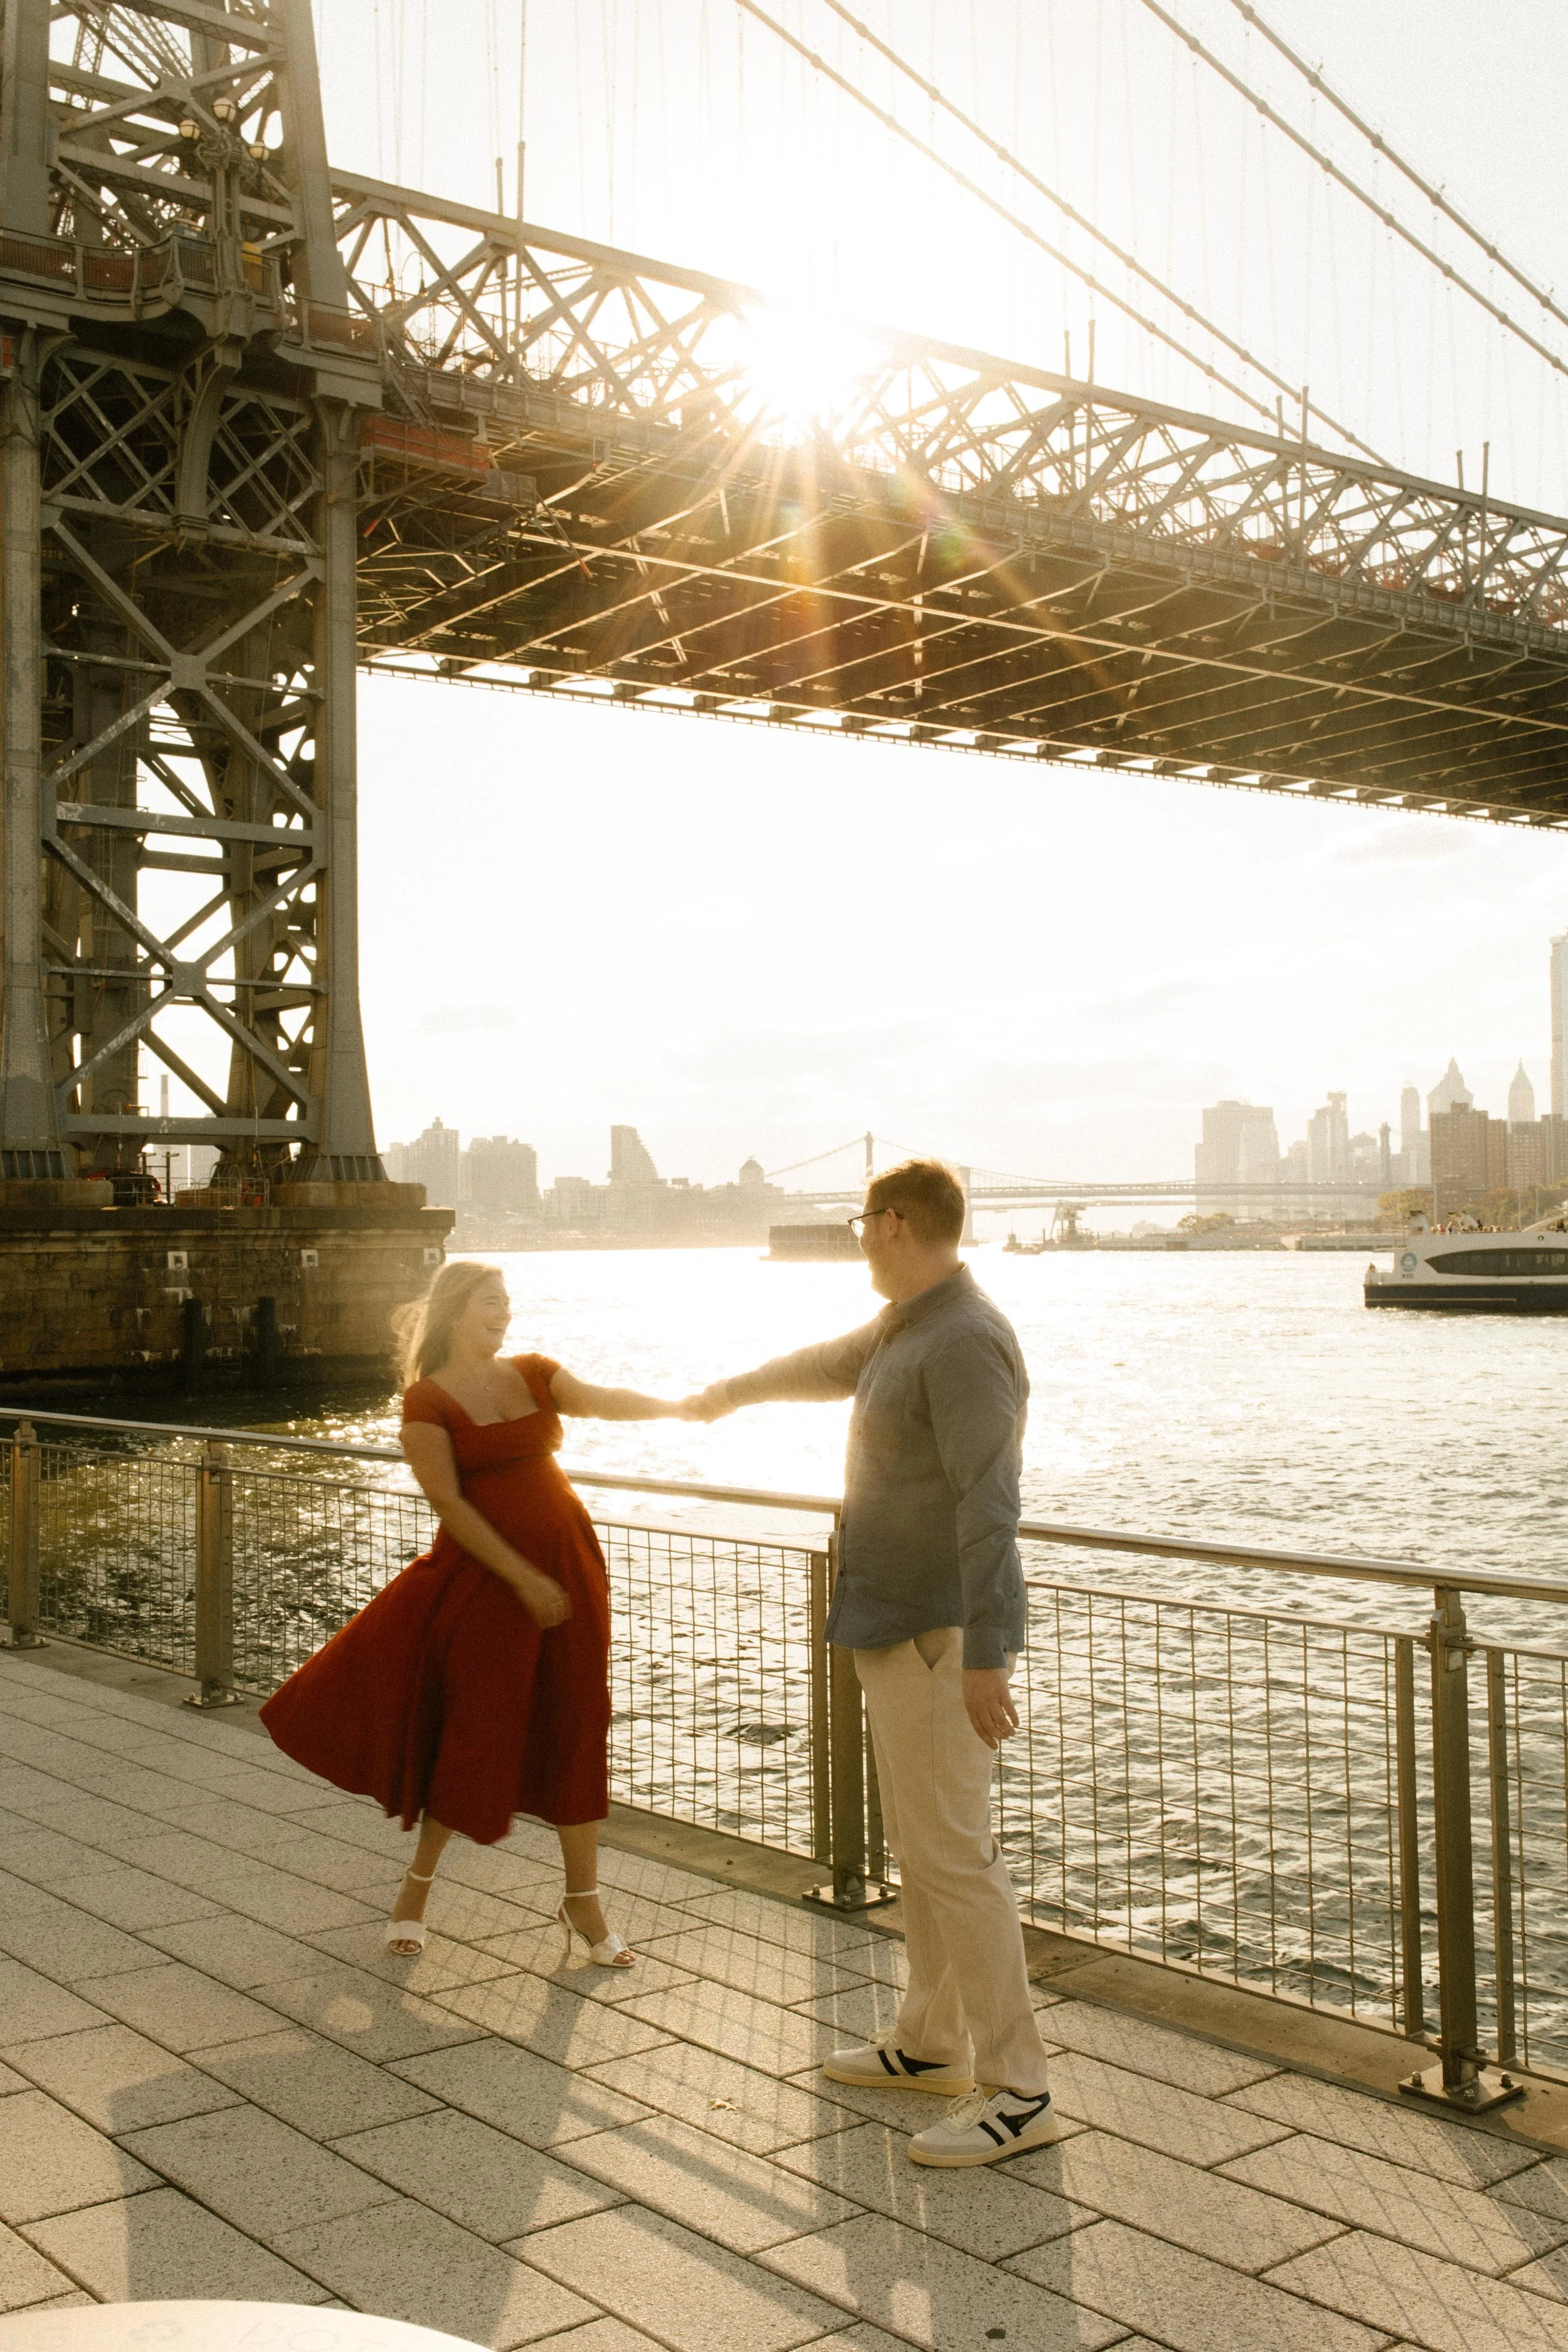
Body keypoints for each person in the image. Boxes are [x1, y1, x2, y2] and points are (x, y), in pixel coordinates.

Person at [684, 1159, 1057, 2167]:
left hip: (940, 1638)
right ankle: (930, 2044)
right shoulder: (908, 1324)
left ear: (894, 1224)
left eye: (861, 1221)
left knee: (956, 1857)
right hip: (893, 1625)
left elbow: (991, 1501)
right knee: (926, 1849)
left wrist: (989, 1653)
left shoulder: (965, 1338)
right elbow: (822, 1364)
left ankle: (1019, 2089)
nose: (855, 1237)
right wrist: (728, 1394)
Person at [260, 1259, 693, 1963]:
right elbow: (449, 1504)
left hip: (571, 1567)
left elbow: (604, 1399)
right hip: (489, 1581)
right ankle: (416, 1890)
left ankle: (582, 1901)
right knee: (476, 1731)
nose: (505, 1314)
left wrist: (684, 1406)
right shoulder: (426, 1401)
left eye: (509, 1304)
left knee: (576, 1719)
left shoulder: (533, 1371)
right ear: (458, 1309)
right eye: (492, 1303)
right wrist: (521, 1578)